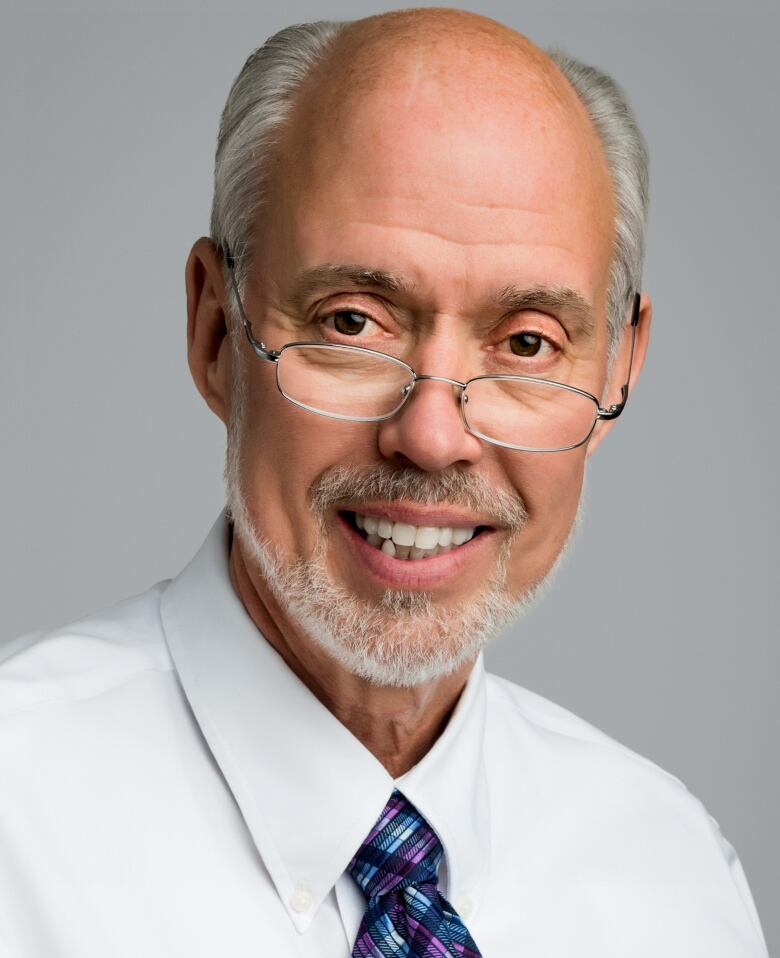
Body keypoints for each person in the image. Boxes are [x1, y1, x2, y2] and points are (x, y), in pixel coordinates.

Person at [0, 8, 769, 957]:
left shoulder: (676, 882)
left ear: (616, 374)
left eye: (528, 343)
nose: (434, 436)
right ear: (213, 333)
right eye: (353, 323)